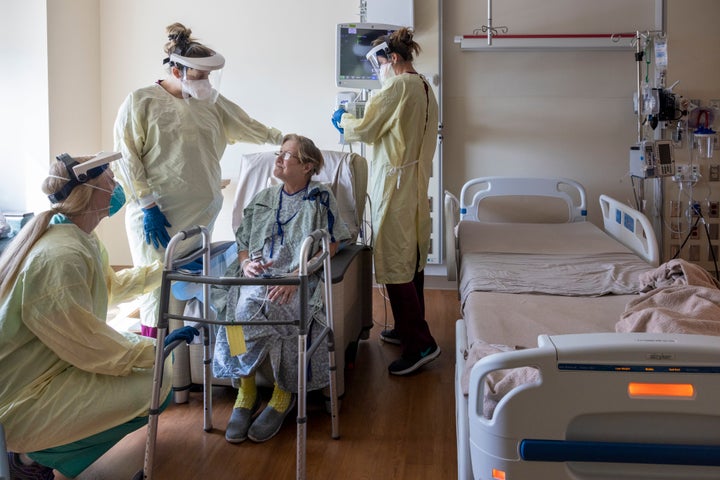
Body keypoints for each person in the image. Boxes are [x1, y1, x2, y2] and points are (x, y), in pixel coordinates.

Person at [0, 152, 179, 479]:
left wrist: (166, 270)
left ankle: (40, 453)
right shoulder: (61, 257)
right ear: (93, 192)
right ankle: (28, 456)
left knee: (154, 372)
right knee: (156, 383)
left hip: (47, 372)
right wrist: (152, 351)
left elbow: (108, 286)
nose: (117, 186)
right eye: (111, 180)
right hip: (19, 401)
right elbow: (85, 345)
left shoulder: (79, 238)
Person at [114, 22, 283, 337]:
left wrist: (285, 140)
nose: (206, 83)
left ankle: (223, 354)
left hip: (199, 221)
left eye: (208, 76)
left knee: (208, 290)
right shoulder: (142, 101)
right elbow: (126, 157)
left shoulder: (211, 103)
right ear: (177, 71)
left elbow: (249, 125)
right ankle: (156, 364)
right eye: (199, 76)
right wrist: (148, 204)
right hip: (157, 221)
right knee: (154, 290)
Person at [213, 134, 351, 444]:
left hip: (296, 277)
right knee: (236, 314)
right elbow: (243, 240)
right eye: (279, 153)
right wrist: (246, 263)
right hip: (257, 275)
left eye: (286, 156)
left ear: (307, 166)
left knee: (288, 315)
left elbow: (333, 242)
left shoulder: (320, 197)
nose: (278, 160)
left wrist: (298, 274)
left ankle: (282, 395)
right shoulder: (263, 197)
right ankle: (246, 392)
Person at [331, 27, 441, 376]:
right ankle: (410, 327)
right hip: (415, 184)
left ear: (392, 58)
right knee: (413, 259)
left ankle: (421, 343)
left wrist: (342, 119)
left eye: (378, 63)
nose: (378, 71)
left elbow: (365, 129)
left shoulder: (396, 86)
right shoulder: (425, 85)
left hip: (394, 186)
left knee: (394, 263)